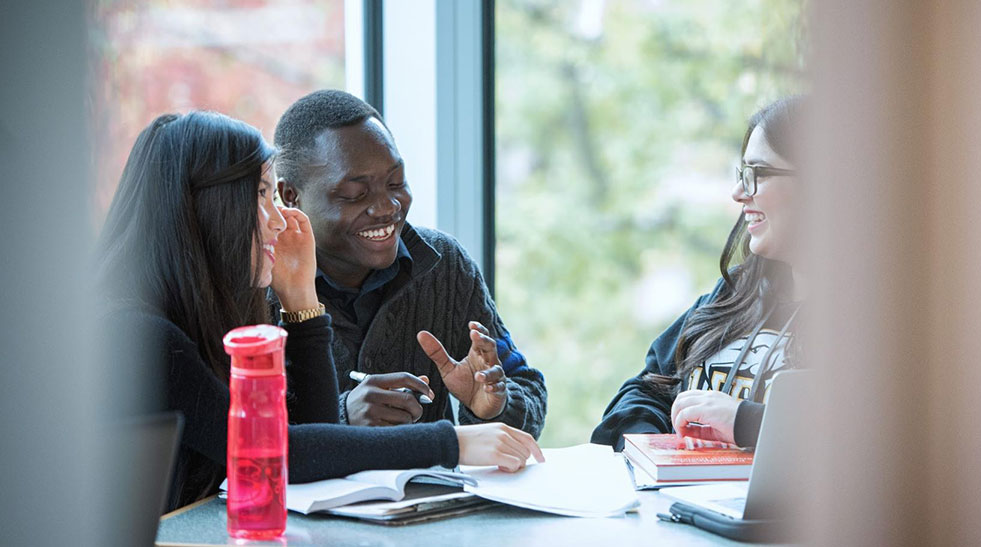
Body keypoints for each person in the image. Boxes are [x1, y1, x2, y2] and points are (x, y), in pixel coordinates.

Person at [101, 112, 542, 511]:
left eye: (395, 183)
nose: (276, 219)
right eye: (260, 195)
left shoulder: (223, 307)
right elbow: (278, 453)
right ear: (207, 210)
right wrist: (450, 442)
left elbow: (304, 463)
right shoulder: (137, 333)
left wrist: (302, 305)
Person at [272, 90, 547, 437]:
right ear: (290, 196)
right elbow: (231, 442)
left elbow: (527, 386)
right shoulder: (255, 285)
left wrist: (495, 405)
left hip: (432, 493)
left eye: (395, 182)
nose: (387, 207)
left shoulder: (443, 266)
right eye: (356, 194)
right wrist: (343, 417)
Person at [591, 97, 804, 450]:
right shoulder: (736, 293)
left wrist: (744, 422)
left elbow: (869, 439)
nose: (739, 193)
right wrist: (658, 448)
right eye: (742, 174)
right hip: (681, 503)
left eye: (759, 174)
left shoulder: (875, 323)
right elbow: (645, 389)